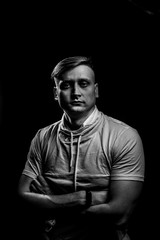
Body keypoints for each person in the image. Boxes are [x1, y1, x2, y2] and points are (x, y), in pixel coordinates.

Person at [18, 56, 145, 240]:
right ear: (56, 93)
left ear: (96, 90)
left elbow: (119, 210)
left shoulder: (124, 136)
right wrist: (79, 199)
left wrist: (50, 200)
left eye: (83, 83)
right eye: (66, 85)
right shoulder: (42, 136)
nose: (76, 92)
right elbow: (22, 197)